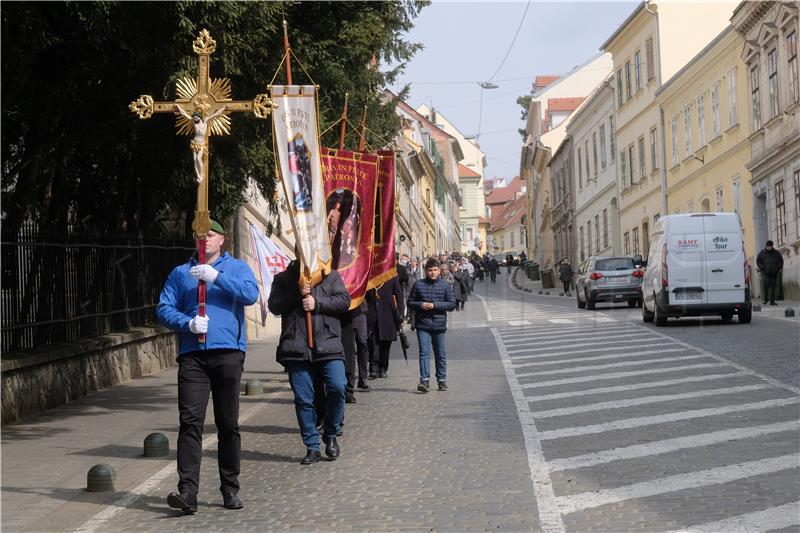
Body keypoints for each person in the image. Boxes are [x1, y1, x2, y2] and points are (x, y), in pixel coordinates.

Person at [157, 219, 258, 514]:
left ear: (221, 239)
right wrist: (186, 323)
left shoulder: (236, 268)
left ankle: (230, 488)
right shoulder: (179, 273)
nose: (204, 239)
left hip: (228, 353)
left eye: (210, 234)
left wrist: (216, 277)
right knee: (190, 423)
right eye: (199, 234)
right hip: (193, 355)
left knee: (228, 424)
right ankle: (188, 491)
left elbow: (250, 294)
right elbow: (164, 308)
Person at [268, 258, 351, 465]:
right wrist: (297, 292)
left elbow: (344, 301)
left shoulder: (329, 275)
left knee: (337, 387)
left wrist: (318, 303)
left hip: (328, 344)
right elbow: (274, 306)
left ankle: (331, 433)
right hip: (297, 347)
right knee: (304, 399)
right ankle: (312, 445)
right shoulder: (283, 278)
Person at [408, 258, 456, 393]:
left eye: (435, 270)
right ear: (426, 271)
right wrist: (420, 305)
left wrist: (435, 305)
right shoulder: (418, 285)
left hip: (439, 325)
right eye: (430, 270)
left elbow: (452, 304)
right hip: (423, 324)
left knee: (440, 353)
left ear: (439, 271)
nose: (432, 273)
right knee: (424, 352)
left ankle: (441, 380)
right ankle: (424, 380)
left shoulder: (445, 285)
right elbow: (410, 302)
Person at [366, 275, 404, 378]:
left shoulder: (391, 276)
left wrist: (401, 313)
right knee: (372, 343)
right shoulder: (368, 275)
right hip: (372, 315)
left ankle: (383, 367)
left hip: (388, 315)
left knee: (385, 344)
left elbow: (399, 295)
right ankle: (373, 368)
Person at [177, 106, 227, 184]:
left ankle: (201, 174)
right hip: (195, 143)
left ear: (199, 116)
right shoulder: (194, 123)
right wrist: (178, 107)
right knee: (194, 160)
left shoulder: (206, 121)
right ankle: (198, 176)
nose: (195, 119)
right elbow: (184, 114)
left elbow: (215, 115)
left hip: (201, 144)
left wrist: (224, 108)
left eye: (196, 117)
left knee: (198, 158)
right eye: (194, 117)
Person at [342, 301, 370, 403]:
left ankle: (353, 385)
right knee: (347, 352)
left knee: (360, 343)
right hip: (340, 311)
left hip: (358, 311)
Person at [756, 240, 783, 305]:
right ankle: (765, 300)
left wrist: (778, 268)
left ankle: (772, 301)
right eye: (768, 246)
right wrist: (762, 268)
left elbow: (781, 261)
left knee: (773, 287)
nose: (769, 247)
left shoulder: (776, 253)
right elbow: (758, 261)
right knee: (766, 287)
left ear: (772, 246)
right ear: (766, 246)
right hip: (766, 273)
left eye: (770, 246)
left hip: (774, 273)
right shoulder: (762, 253)